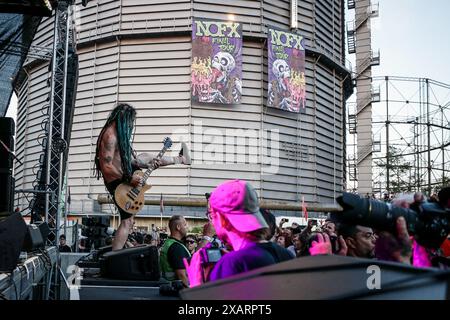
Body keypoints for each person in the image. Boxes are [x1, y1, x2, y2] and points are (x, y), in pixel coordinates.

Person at [94, 103, 190, 251]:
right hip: (118, 181)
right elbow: (106, 166)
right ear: (123, 118)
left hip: (124, 174)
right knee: (127, 222)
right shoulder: (110, 136)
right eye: (130, 121)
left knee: (145, 158)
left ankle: (180, 159)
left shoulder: (118, 135)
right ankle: (114, 257)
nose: (131, 125)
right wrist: (128, 178)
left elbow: (122, 159)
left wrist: (136, 166)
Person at [184, 180, 293, 287]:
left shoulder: (232, 263)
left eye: (212, 216)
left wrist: (196, 282)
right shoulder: (286, 255)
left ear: (223, 219)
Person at [159, 215, 191, 287]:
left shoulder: (169, 243)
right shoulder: (176, 247)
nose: (187, 227)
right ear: (178, 227)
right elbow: (181, 275)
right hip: (177, 291)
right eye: (185, 224)